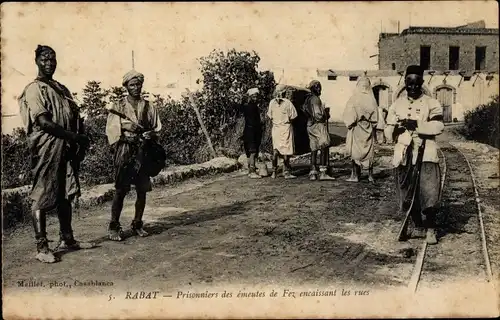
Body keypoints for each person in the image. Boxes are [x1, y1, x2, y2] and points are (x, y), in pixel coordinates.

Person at [18, 45, 94, 263]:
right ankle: (42, 247)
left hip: (66, 147)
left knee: (64, 191)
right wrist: (73, 136)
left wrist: (77, 137)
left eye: (53, 59)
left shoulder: (61, 88)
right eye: (44, 59)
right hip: (48, 147)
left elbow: (74, 115)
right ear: (37, 61)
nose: (49, 63)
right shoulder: (34, 88)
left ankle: (67, 239)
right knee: (42, 192)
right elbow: (43, 122)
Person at [384, 65, 444, 245]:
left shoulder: (431, 103)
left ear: (422, 83)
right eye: (409, 84)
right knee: (407, 190)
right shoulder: (397, 104)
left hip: (426, 151)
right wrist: (396, 129)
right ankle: (416, 223)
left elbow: (438, 126)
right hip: (404, 152)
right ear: (405, 84)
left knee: (428, 190)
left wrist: (416, 125)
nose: (413, 87)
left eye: (417, 84)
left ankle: (431, 228)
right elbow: (387, 130)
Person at [105, 70, 162, 241]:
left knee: (142, 190)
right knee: (121, 190)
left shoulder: (149, 106)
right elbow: (111, 131)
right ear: (126, 86)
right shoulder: (118, 107)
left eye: (138, 84)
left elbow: (157, 128)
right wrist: (126, 130)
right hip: (125, 151)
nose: (136, 87)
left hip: (143, 151)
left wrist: (150, 134)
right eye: (132, 85)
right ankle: (114, 226)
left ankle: (137, 223)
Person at [343, 77, 379, 183]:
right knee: (369, 151)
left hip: (357, 127)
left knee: (356, 152)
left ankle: (355, 175)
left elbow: (350, 116)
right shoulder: (372, 100)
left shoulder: (354, 98)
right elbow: (375, 119)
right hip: (367, 127)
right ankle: (370, 175)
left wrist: (350, 123)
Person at [304, 80, 335, 181]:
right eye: (318, 87)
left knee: (313, 148)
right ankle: (323, 172)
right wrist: (326, 114)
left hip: (310, 125)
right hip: (318, 125)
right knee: (324, 146)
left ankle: (313, 172)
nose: (319, 89)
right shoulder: (315, 99)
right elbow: (318, 115)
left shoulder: (307, 99)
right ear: (314, 88)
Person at [267, 88, 298, 179]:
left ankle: (274, 172)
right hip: (285, 128)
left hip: (276, 128)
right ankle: (286, 172)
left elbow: (270, 116)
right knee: (286, 151)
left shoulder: (272, 102)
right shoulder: (288, 103)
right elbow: (293, 116)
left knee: (275, 150)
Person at [240, 87, 263, 179]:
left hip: (248, 130)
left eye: (256, 96)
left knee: (250, 152)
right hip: (253, 130)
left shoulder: (246, 106)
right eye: (254, 96)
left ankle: (251, 169)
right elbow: (255, 121)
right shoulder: (253, 107)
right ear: (251, 97)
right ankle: (252, 171)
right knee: (253, 151)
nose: (256, 98)